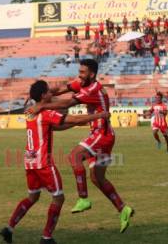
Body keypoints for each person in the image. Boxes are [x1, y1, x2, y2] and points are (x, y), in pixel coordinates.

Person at [26, 59, 134, 233]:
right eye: (80, 71)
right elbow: (61, 90)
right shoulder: (82, 83)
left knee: (74, 156)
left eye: (83, 72)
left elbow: (67, 103)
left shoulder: (92, 89)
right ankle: (123, 209)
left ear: (91, 74)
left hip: (101, 134)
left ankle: (83, 198)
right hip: (104, 135)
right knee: (97, 179)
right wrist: (42, 94)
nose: (79, 75)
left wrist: (42, 105)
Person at [0, 80, 110, 244]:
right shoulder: (47, 113)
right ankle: (47, 237)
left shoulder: (30, 112)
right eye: (49, 91)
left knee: (33, 197)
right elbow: (72, 119)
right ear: (44, 95)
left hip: (30, 161)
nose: (52, 93)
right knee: (59, 198)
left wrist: (80, 122)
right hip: (43, 162)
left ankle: (9, 228)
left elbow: (57, 127)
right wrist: (98, 116)